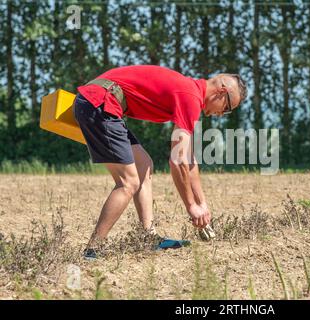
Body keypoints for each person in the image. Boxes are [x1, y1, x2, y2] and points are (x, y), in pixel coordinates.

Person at [73, 65, 247, 259]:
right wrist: (191, 206)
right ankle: (92, 251)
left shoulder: (191, 93)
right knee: (128, 183)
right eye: (227, 108)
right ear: (222, 92)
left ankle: (148, 237)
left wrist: (202, 204)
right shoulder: (190, 96)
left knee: (143, 166)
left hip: (99, 102)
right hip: (99, 102)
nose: (222, 113)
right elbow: (178, 160)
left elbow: (188, 159)